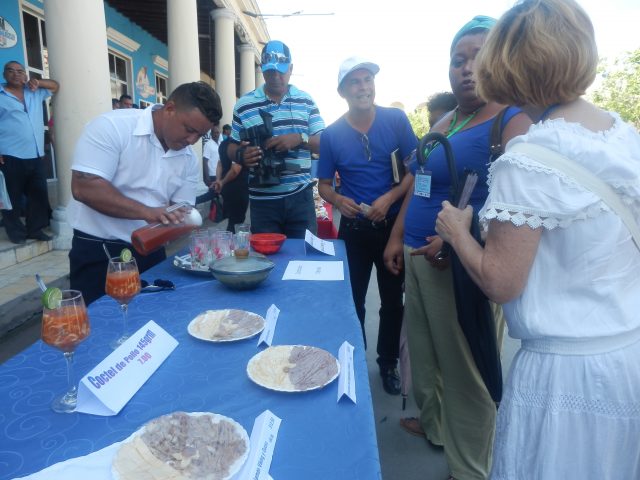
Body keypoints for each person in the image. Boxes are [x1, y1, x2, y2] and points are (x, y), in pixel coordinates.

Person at [436, 1, 640, 478]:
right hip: (625, 357)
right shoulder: (622, 136)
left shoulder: (529, 155)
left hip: (564, 375)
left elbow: (501, 281)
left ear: (506, 65)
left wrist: (458, 233)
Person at [382, 16, 531, 479]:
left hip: (461, 267)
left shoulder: (513, 120)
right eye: (458, 59)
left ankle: (469, 470)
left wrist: (459, 242)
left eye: (479, 57)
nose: (467, 68)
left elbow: (521, 209)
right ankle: (437, 431)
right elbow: (418, 188)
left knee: (467, 377)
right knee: (426, 360)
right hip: (417, 257)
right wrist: (396, 236)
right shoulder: (449, 118)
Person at [68, 81, 222, 305]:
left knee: (151, 323)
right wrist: (147, 212)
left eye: (200, 135)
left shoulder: (188, 157)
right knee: (100, 325)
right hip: (100, 250)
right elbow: (84, 187)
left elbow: (183, 210)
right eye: (189, 130)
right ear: (169, 109)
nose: (191, 141)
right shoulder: (113, 127)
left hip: (151, 251)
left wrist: (181, 218)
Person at [317, 57, 417, 395]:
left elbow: (416, 172)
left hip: (393, 228)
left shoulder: (396, 120)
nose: (364, 87)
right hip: (355, 232)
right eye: (355, 82)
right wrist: (338, 201)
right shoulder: (332, 135)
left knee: (393, 301)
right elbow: (324, 184)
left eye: (368, 79)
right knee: (352, 302)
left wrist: (389, 199)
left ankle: (386, 363)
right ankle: (355, 361)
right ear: (343, 91)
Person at [228, 40, 325, 238]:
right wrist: (241, 154)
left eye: (281, 71)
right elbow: (230, 145)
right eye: (270, 71)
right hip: (262, 201)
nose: (275, 77)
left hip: (301, 197)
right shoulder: (244, 105)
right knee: (267, 260)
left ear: (291, 68)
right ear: (262, 70)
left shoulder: (306, 101)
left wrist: (299, 138)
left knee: (303, 258)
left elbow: (325, 143)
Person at [0, 61, 58, 244]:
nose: (16, 74)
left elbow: (56, 86)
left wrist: (38, 82)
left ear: (25, 75)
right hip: (10, 155)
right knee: (12, 197)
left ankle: (35, 229)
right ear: (4, 75)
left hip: (35, 154)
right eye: (11, 71)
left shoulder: (34, 92)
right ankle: (15, 232)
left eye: (20, 71)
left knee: (38, 195)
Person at [213, 137, 249, 233]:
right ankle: (231, 245)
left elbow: (219, 163)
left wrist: (218, 180)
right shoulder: (236, 147)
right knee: (236, 223)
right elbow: (235, 170)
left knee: (232, 220)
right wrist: (222, 182)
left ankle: (229, 242)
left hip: (227, 189)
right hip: (238, 189)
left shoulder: (223, 144)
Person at [195, 124, 222, 219]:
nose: (216, 134)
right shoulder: (208, 144)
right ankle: (195, 201)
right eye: (214, 133)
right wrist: (206, 177)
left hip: (219, 174)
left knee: (216, 193)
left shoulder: (220, 143)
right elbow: (205, 160)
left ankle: (216, 212)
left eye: (218, 132)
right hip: (212, 175)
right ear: (211, 134)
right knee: (212, 194)